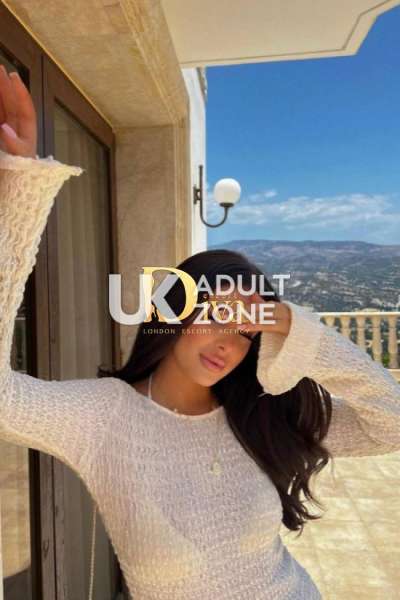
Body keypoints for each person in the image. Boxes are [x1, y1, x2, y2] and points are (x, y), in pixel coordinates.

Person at [0, 63, 399, 600]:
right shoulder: (103, 418)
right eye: (216, 316)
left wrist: (291, 325)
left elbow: (391, 424)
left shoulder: (261, 413)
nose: (229, 344)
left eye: (246, 332)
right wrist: (19, 193)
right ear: (173, 314)